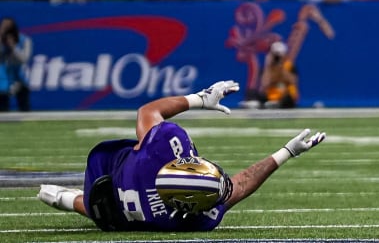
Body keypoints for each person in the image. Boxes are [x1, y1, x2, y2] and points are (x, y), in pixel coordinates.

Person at [37, 80, 325, 231]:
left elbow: (147, 112)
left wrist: (199, 99)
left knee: (99, 205)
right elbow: (240, 185)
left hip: (109, 171)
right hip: (121, 206)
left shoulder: (162, 147)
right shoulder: (192, 220)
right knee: (106, 214)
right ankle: (66, 199)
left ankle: (66, 198)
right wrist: (285, 153)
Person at [243, 41, 300, 109]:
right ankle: (257, 104)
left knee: (288, 99)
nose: (277, 57)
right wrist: (268, 65)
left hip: (285, 97)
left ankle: (276, 104)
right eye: (275, 54)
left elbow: (293, 81)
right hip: (270, 96)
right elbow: (265, 84)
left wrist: (281, 68)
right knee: (252, 93)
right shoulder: (267, 68)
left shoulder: (289, 66)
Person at [0, 17, 32, 111]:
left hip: (19, 78)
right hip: (2, 80)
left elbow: (24, 59)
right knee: (2, 110)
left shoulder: (25, 40)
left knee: (24, 108)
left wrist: (13, 47)